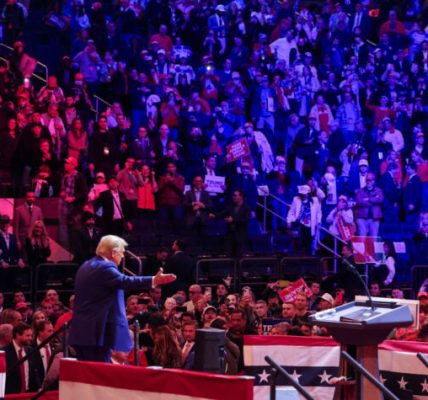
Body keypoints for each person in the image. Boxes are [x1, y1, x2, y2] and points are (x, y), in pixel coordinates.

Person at [68, 235, 176, 362]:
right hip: (97, 333)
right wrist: (154, 280)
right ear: (113, 253)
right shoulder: (105, 267)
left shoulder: (85, 266)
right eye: (121, 253)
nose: (123, 256)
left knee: (86, 377)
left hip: (82, 332)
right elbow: (125, 281)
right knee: (99, 376)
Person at [4, 322, 40, 394]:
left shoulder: (30, 351)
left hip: (29, 394)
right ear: (17, 335)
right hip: (11, 395)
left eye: (31, 336)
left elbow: (33, 372)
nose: (30, 338)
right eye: (27, 335)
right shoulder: (5, 352)